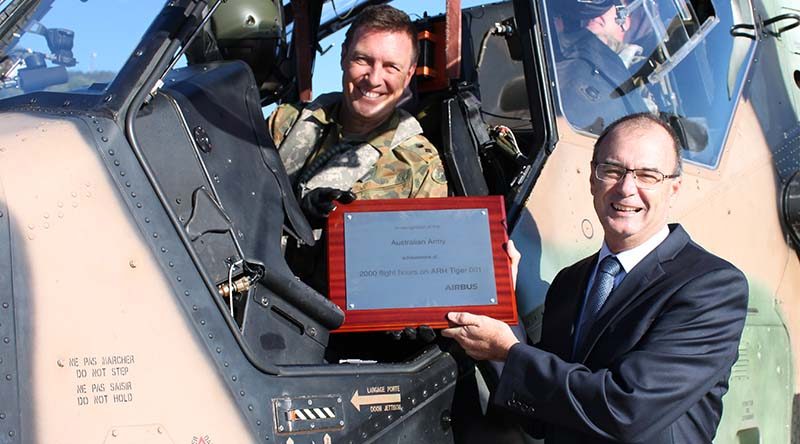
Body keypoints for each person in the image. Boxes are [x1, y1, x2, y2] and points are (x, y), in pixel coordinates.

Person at [442, 113, 748, 443]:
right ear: (592, 178)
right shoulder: (569, 283)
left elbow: (626, 409)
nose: (627, 188)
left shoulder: (711, 287)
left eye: (647, 175)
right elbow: (540, 416)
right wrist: (505, 305)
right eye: (612, 171)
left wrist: (508, 351)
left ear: (673, 189)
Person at [268, 4, 448, 226]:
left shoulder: (419, 164)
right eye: (363, 60)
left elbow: (424, 249)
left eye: (391, 67)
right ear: (344, 56)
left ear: (409, 74)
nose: (373, 79)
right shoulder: (284, 124)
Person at [556, 0, 652, 133]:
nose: (596, 9)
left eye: (606, 3)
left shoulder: (640, 73)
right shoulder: (556, 43)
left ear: (626, 19)